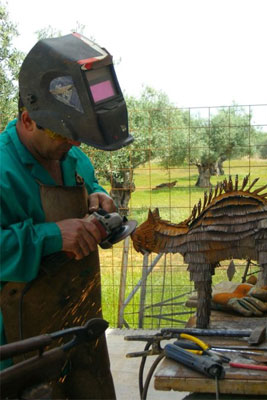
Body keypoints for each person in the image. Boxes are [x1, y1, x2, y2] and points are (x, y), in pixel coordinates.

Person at [0, 33, 133, 399]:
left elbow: (88, 181)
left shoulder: (71, 156)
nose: (74, 144)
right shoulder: (1, 168)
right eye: (65, 135)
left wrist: (98, 195)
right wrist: (51, 236)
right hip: (16, 347)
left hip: (79, 329)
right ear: (28, 119)